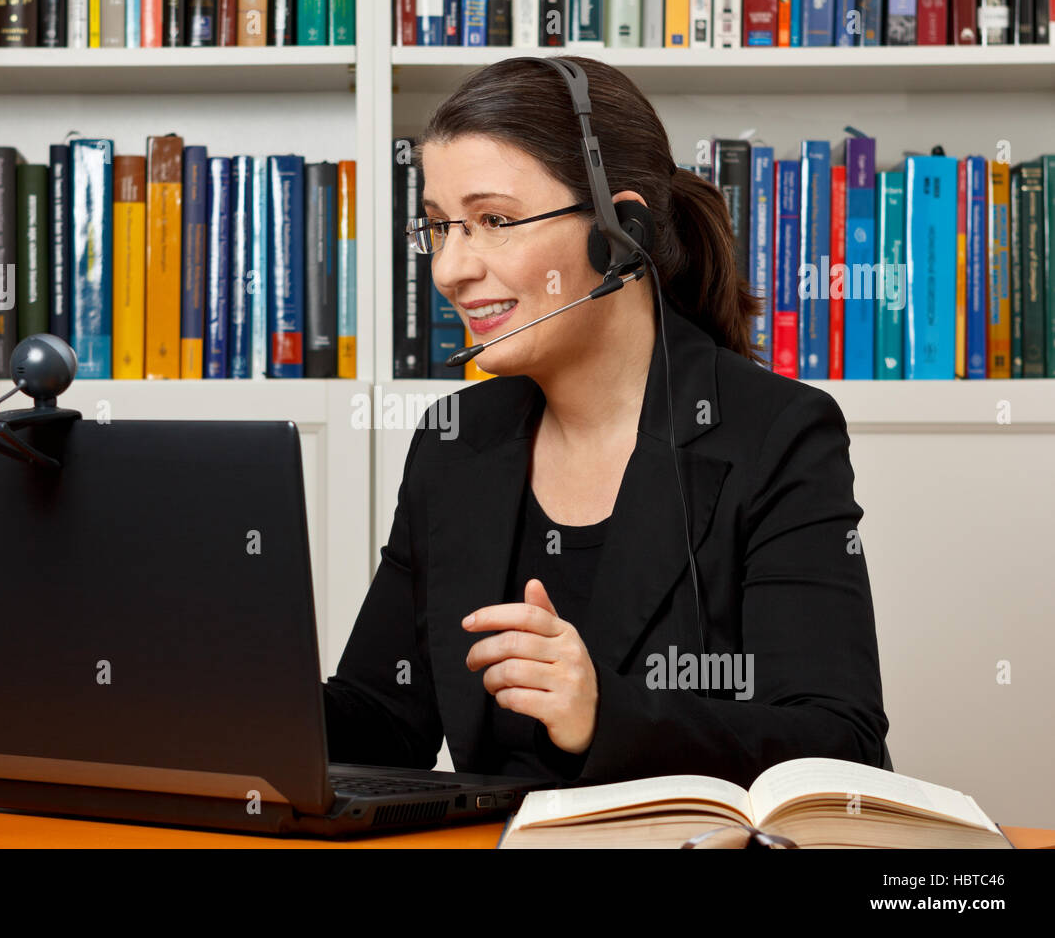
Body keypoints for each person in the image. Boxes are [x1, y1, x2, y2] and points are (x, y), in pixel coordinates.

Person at [323, 56, 892, 790]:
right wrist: (236, 701)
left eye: (493, 221)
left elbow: (838, 741)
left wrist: (603, 713)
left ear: (621, 230)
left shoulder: (777, 432)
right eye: (440, 227)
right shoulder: (454, 438)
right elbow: (383, 718)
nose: (449, 269)